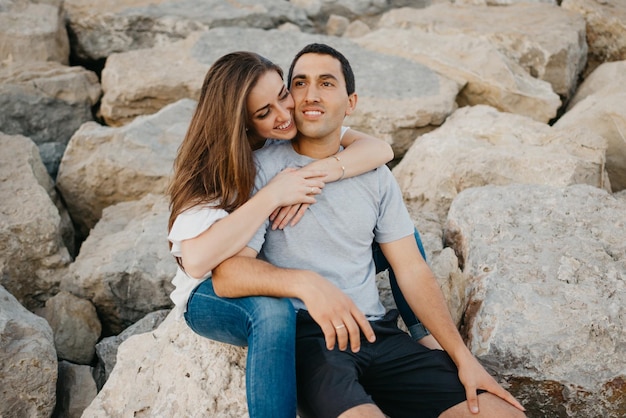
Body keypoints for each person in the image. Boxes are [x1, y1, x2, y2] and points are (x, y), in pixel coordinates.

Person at [212, 44, 528, 418]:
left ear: (351, 103)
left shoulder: (374, 173)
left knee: (502, 414)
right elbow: (228, 273)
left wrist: (463, 357)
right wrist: (309, 285)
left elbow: (410, 268)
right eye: (299, 83)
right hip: (315, 341)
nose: (311, 94)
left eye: (326, 83)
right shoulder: (260, 171)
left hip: (378, 334)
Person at [167, 51, 434, 418]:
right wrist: (272, 196)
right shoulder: (217, 168)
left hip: (250, 263)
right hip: (208, 290)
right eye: (264, 113)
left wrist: (319, 173)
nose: (283, 113)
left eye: (282, 94)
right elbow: (197, 261)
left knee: (403, 241)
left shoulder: (289, 136)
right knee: (273, 312)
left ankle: (423, 331)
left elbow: (379, 149)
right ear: (241, 122)